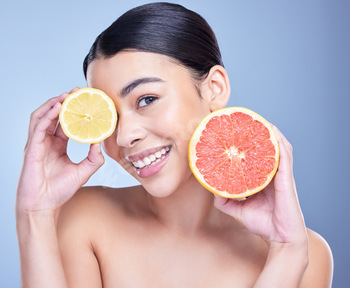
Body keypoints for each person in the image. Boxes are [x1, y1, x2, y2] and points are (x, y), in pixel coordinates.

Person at [16, 2, 333, 287]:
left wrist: (287, 254)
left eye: (147, 99)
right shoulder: (84, 219)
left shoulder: (303, 254)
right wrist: (33, 215)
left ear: (214, 89)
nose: (124, 136)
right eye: (109, 116)